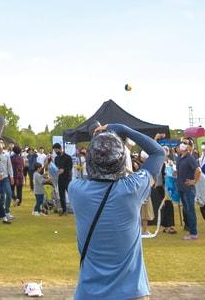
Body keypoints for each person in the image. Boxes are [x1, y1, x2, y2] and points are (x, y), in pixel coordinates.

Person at [69, 123, 166, 300]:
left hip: (89, 294)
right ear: (122, 160)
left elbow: (91, 174)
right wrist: (121, 128)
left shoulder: (76, 190)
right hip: (131, 293)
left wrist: (99, 142)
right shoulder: (132, 189)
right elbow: (158, 153)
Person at [52, 143, 74, 214]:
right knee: (61, 195)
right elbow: (56, 168)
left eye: (56, 150)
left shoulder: (68, 157)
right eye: (54, 150)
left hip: (67, 179)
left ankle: (75, 209)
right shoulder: (56, 158)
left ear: (60, 149)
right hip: (60, 179)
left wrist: (63, 170)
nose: (56, 152)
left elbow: (69, 168)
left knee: (71, 195)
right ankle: (64, 210)